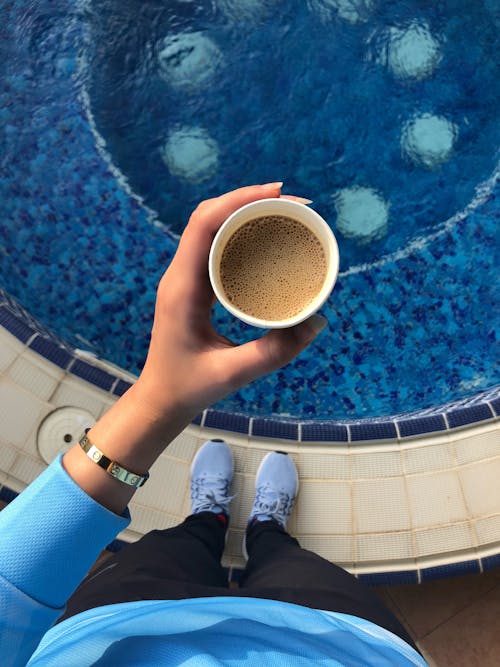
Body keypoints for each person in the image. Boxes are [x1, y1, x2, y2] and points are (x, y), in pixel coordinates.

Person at [0, 184, 427, 666]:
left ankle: (209, 519)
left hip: (116, 623)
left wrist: (157, 403)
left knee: (177, 544)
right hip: (341, 642)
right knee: (289, 561)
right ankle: (267, 531)